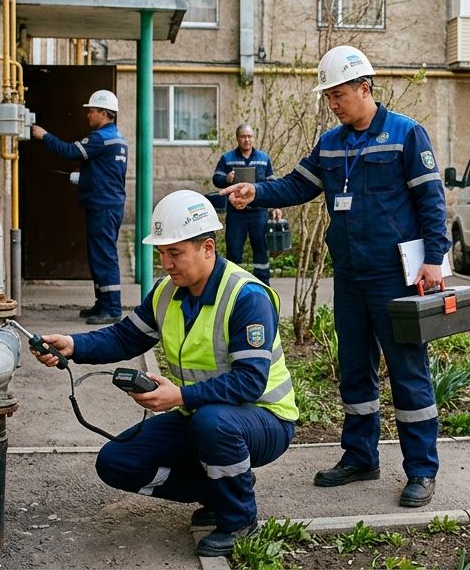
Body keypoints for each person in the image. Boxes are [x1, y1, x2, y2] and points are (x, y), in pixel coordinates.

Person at [220, 45, 448, 509]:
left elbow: (431, 200)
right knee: (354, 371)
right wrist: (255, 191)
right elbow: (297, 185)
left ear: (365, 88)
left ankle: (421, 470)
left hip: (395, 278)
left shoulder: (406, 135)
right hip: (349, 277)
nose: (333, 103)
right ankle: (360, 456)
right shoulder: (330, 143)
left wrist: (434, 260)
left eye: (339, 94)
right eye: (329, 97)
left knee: (408, 374)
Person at [30, 190, 298, 557]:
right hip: (202, 413)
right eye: (161, 253)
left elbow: (251, 380)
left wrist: (181, 397)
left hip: (265, 419)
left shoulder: (246, 296)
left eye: (175, 253)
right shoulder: (166, 292)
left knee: (213, 423)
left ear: (207, 247)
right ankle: (219, 490)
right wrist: (73, 346)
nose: (166, 263)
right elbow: (125, 337)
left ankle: (239, 519)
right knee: (116, 462)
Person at [32, 90, 128, 325]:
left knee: (104, 256)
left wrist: (43, 135)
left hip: (103, 205)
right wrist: (84, 178)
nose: (88, 115)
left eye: (92, 110)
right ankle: (103, 302)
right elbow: (104, 172)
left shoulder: (100, 138)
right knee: (99, 255)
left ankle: (112, 307)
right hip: (108, 203)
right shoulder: (116, 137)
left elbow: (70, 151)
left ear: (104, 113)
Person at [212, 124, 282, 284]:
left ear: (254, 138)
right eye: (243, 136)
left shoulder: (263, 159)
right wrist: (226, 179)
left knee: (261, 251)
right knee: (234, 251)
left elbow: (272, 184)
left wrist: (277, 206)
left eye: (249, 136)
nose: (247, 140)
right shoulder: (227, 158)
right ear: (237, 138)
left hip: (259, 213)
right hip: (236, 213)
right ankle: (234, 286)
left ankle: (263, 284)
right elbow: (216, 179)